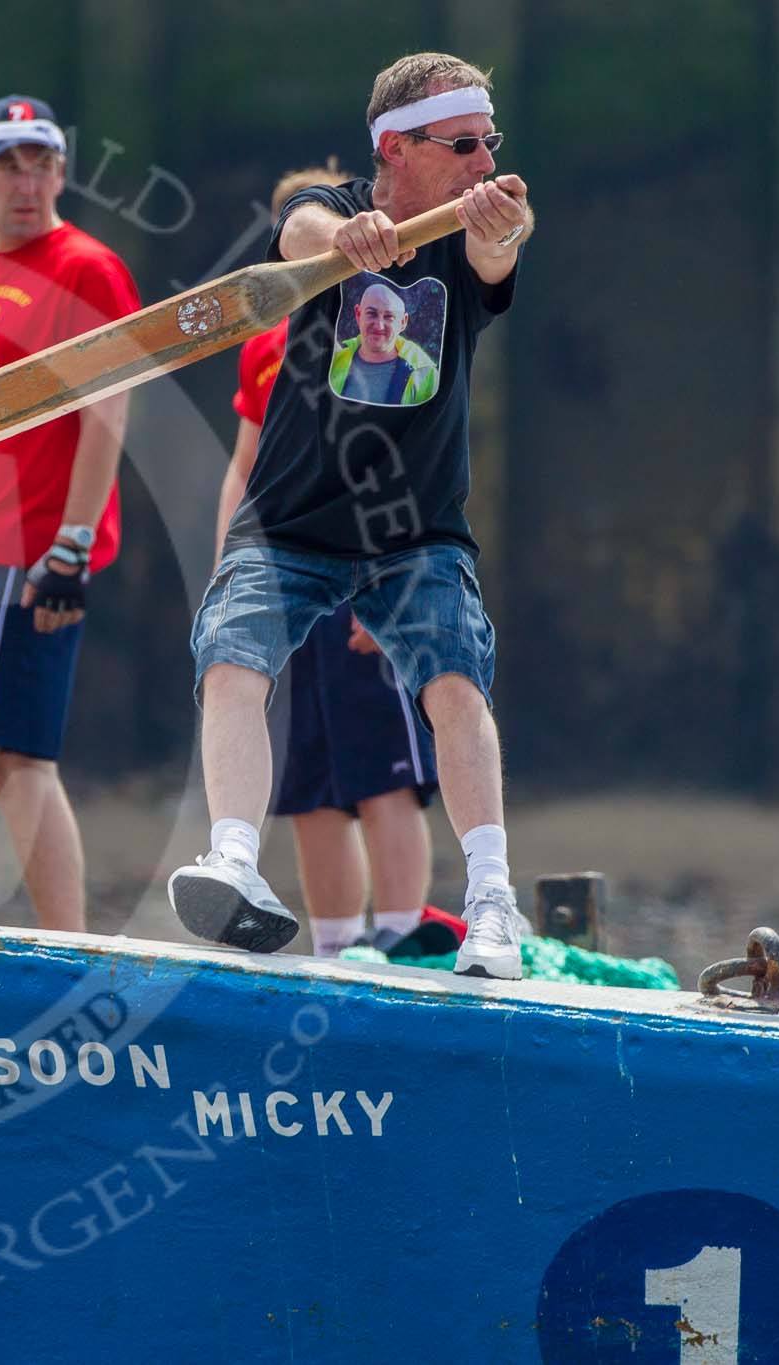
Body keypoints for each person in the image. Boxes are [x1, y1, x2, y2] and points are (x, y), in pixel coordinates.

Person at [170, 52, 535, 978]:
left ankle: (492, 897)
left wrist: (505, 234)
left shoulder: (469, 231)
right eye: (463, 145)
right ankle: (234, 862)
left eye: (489, 142)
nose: (483, 162)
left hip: (415, 529)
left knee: (455, 683)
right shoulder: (328, 209)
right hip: (292, 520)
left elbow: (497, 258)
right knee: (230, 658)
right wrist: (350, 238)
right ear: (397, 148)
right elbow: (298, 234)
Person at [0, 94, 140, 933]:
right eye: (7, 161)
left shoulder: (85, 265)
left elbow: (107, 410)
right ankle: (68, 946)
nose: (26, 179)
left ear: (62, 172)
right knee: (16, 761)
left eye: (40, 160)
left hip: (28, 546)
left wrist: (72, 546)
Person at [218, 161, 441, 960]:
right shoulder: (263, 346)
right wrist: (225, 585)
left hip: (364, 572)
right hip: (281, 575)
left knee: (384, 771)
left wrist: (392, 581)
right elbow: (242, 468)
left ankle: (405, 937)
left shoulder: (385, 320)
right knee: (309, 781)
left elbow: (410, 456)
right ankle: (339, 949)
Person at [329, 281, 439, 406]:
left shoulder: (424, 374)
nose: (379, 325)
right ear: (358, 314)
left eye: (388, 317)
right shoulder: (334, 359)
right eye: (371, 314)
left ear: (403, 322)